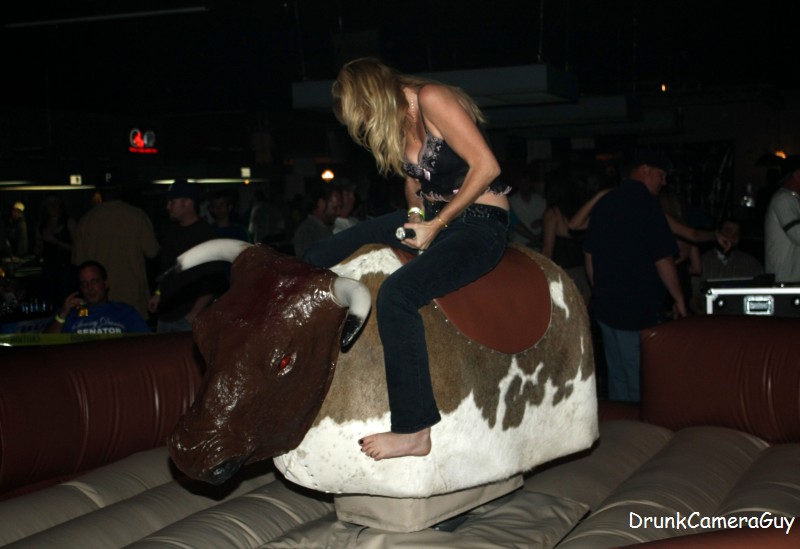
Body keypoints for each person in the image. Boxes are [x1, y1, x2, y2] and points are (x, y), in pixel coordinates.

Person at [303, 57, 510, 460]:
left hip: (479, 222)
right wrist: (417, 218)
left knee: (397, 295)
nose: (363, 124)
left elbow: (487, 166)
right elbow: (415, 184)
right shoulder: (397, 123)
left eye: (361, 113)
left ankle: (415, 430)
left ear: (372, 94)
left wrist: (437, 224)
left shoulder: (432, 98)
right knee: (318, 255)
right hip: (434, 219)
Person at [584, 149, 686, 402]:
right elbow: (663, 258)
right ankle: (639, 425)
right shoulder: (648, 204)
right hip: (638, 308)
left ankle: (622, 423)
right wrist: (679, 299)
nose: (664, 182)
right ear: (645, 170)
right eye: (661, 175)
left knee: (617, 375)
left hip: (607, 306)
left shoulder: (605, 203)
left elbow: (589, 254)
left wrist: (600, 290)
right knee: (640, 379)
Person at [72, 174, 159, 318]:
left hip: (98, 301)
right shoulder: (136, 216)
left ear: (99, 191)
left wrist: (82, 310)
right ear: (120, 189)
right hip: (133, 300)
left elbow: (78, 263)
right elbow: (153, 252)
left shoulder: (86, 220)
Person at [148, 178, 227, 333]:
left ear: (187, 202)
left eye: (172, 202)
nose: (168, 206)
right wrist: (158, 294)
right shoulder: (171, 232)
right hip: (165, 315)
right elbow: (167, 272)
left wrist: (193, 314)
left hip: (186, 319)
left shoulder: (206, 235)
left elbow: (214, 279)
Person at [44, 260, 150, 334]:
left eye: (94, 282)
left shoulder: (125, 312)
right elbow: (45, 345)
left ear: (105, 283)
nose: (89, 288)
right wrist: (62, 315)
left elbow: (146, 343)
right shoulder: (71, 313)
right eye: (84, 283)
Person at [34, 193, 77, 305]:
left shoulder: (69, 222)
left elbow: (77, 248)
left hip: (66, 270)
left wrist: (56, 241)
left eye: (56, 203)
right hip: (48, 270)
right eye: (50, 204)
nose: (53, 207)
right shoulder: (41, 225)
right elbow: (38, 249)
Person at [764, 154, 800, 282]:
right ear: (797, 174)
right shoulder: (783, 199)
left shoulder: (793, 199)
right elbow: (798, 235)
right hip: (784, 281)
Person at [292, 183, 341, 257]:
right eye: (335, 208)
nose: (338, 212)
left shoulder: (326, 228)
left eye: (340, 207)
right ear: (321, 204)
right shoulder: (307, 231)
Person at [508, 170, 546, 249]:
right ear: (518, 184)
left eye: (526, 183)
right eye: (522, 183)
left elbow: (548, 220)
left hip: (538, 245)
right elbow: (514, 223)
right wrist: (533, 237)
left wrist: (541, 222)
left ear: (531, 184)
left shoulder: (541, 201)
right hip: (518, 244)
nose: (524, 186)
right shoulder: (510, 201)